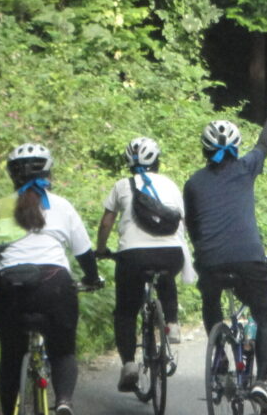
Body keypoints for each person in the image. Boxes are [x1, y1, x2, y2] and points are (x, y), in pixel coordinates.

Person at [0, 143, 101, 415]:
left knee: (10, 356)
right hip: (54, 284)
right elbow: (84, 253)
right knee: (63, 351)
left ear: (12, 175)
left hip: (8, 286)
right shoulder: (61, 206)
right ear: (48, 172)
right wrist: (92, 278)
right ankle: (63, 401)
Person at [183, 91, 267, 415]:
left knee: (211, 303)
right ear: (235, 148)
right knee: (265, 317)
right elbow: (265, 143)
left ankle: (219, 358)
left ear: (204, 150)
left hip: (210, 261)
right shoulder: (245, 168)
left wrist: (203, 254)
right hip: (248, 259)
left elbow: (193, 225)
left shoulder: (193, 183)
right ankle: (261, 382)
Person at [95, 137, 187, 392]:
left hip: (133, 257)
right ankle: (172, 324)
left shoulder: (122, 186)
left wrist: (101, 250)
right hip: (172, 253)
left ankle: (128, 364)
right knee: (166, 276)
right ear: (157, 161)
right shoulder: (170, 184)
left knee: (125, 311)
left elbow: (106, 223)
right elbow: (183, 221)